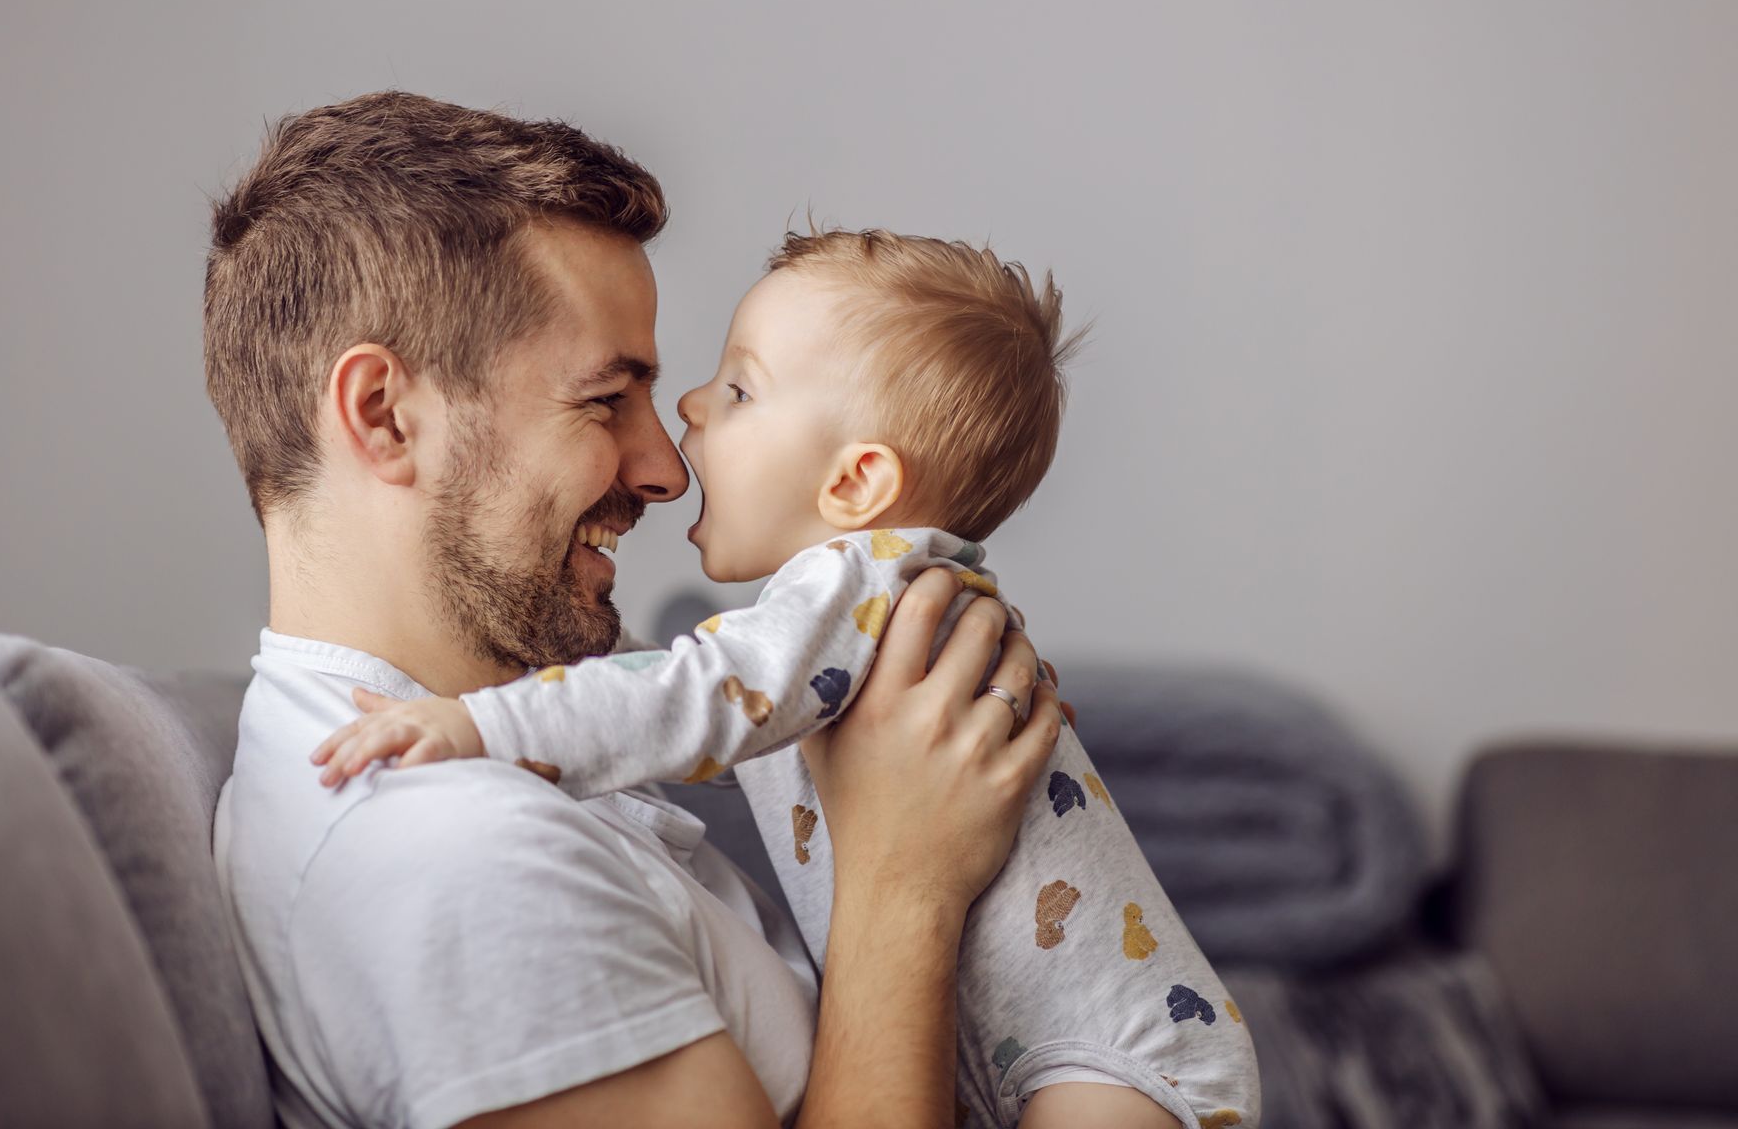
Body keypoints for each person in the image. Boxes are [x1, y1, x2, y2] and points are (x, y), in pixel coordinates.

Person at [207, 92, 1115, 1128]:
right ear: (384, 414)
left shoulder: (496, 744)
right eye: (604, 399)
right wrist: (906, 886)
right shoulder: (462, 867)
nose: (666, 469)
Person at [310, 229, 1261, 1128]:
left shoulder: (859, 583)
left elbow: (680, 703)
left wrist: (478, 726)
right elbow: (675, 704)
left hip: (1122, 1055)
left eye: (738, 391)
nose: (688, 412)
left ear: (853, 485)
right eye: (609, 397)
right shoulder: (851, 616)